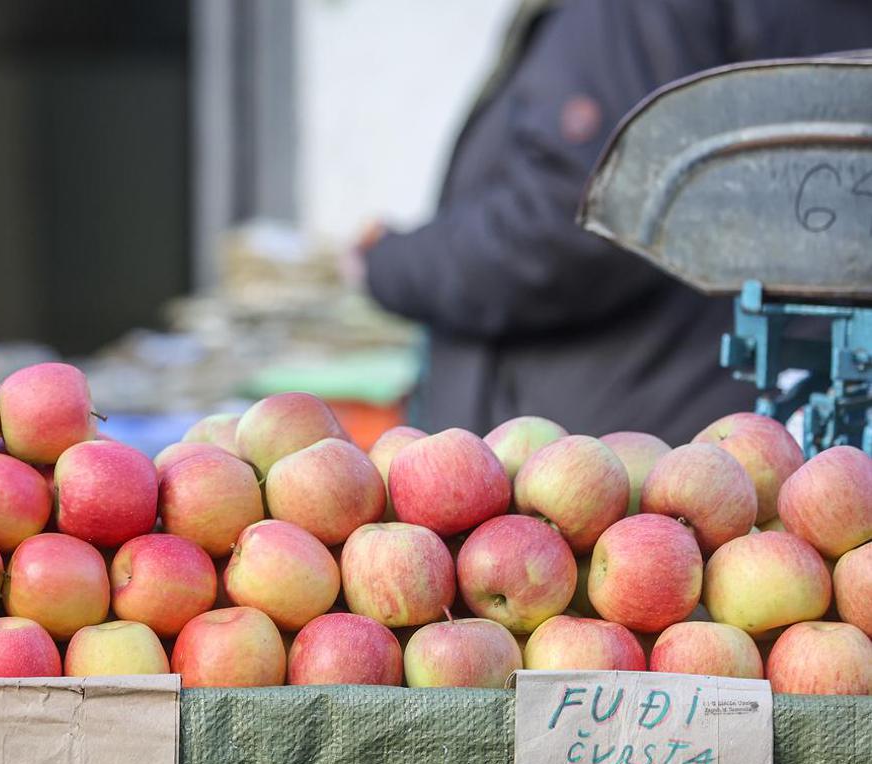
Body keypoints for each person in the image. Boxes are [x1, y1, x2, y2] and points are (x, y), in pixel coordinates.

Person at [359, 0, 872, 444]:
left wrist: (387, 262)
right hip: (746, 430)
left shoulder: (631, 12)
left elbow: (571, 228)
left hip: (621, 449)